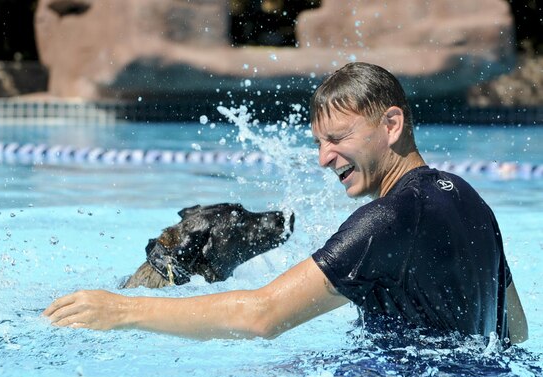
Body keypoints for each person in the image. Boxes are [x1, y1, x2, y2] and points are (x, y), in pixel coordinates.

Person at [43, 62, 528, 345]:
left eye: (337, 138)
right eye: (318, 143)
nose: (323, 159)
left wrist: (122, 310)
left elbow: (261, 315)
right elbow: (516, 330)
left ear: (392, 125)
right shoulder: (469, 200)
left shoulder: (385, 219)